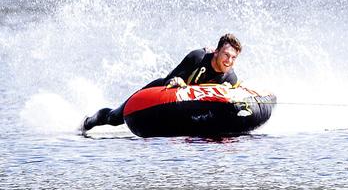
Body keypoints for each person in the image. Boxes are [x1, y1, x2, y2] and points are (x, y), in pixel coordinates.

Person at [81, 33, 243, 133]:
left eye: (233, 58)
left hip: (186, 108)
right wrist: (180, 83)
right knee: (115, 118)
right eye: (226, 55)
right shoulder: (197, 58)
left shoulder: (230, 78)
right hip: (159, 93)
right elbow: (168, 81)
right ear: (216, 51)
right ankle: (88, 121)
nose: (228, 61)